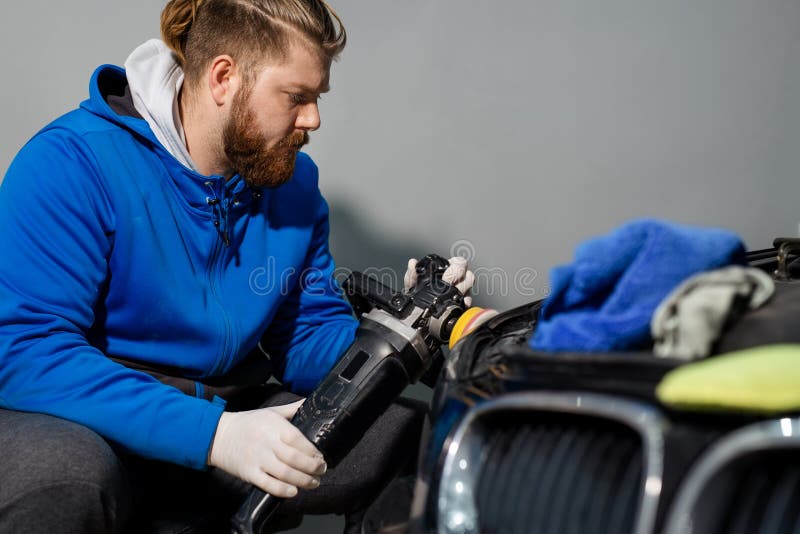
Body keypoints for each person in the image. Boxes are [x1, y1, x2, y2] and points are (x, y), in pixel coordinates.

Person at [0, 1, 474, 532]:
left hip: (233, 413)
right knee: (60, 475)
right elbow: (26, 351)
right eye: (296, 97)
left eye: (317, 98)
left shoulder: (292, 184)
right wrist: (214, 435)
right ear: (224, 78)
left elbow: (306, 337)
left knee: (419, 441)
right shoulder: (72, 163)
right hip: (95, 421)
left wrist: (402, 333)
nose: (313, 118)